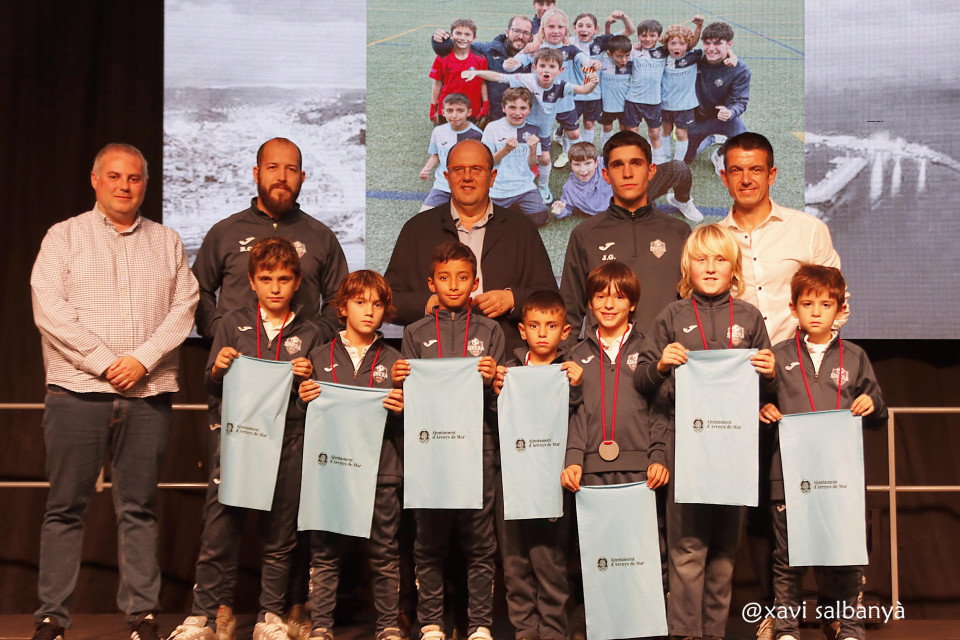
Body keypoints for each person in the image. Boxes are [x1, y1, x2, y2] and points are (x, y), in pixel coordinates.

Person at [30, 143, 199, 640]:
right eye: (115, 176)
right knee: (65, 509)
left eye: (134, 178)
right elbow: (49, 309)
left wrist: (142, 359)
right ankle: (51, 617)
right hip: (76, 393)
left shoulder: (167, 241)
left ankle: (142, 615)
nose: (125, 186)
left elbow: (185, 306)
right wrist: (106, 362)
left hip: (147, 396)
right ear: (95, 180)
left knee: (139, 509)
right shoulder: (63, 236)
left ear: (145, 183)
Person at [166, 238, 321, 640]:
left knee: (280, 535)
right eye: (266, 279)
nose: (275, 288)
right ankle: (202, 616)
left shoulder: (310, 333)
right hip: (237, 441)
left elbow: (315, 400)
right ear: (251, 281)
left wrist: (307, 382)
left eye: (283, 279)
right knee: (220, 531)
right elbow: (210, 383)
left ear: (297, 281)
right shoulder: (232, 324)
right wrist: (218, 369)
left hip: (288, 441)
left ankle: (269, 616)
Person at [633, 223, 776, 640]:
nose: (710, 268)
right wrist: (661, 365)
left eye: (720, 260)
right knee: (687, 549)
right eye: (701, 259)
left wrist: (770, 375)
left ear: (734, 269)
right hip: (687, 448)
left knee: (725, 553)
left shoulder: (749, 317)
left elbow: (768, 391)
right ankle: (685, 633)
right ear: (687, 268)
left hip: (734, 449)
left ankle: (713, 633)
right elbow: (641, 380)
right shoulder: (671, 316)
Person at [759, 265, 886, 640]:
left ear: (840, 309)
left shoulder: (855, 356)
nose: (816, 312)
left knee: (845, 554)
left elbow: (879, 406)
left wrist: (871, 403)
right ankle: (786, 629)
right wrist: (763, 409)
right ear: (793, 308)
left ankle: (849, 627)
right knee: (788, 558)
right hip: (789, 476)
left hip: (840, 478)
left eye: (826, 304)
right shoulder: (777, 357)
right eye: (807, 304)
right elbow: (760, 402)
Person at [391, 242, 504, 640]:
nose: (453, 285)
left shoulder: (490, 332)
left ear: (475, 282)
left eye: (462, 278)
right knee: (429, 544)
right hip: (430, 455)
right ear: (431, 283)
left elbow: (499, 402)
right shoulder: (414, 333)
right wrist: (401, 383)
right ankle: (432, 624)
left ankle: (480, 625)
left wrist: (493, 382)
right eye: (444, 277)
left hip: (477, 451)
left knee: (480, 545)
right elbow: (408, 401)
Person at [297, 270, 405, 640]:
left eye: (377, 304)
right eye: (360, 302)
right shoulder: (318, 356)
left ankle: (388, 626)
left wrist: (403, 407)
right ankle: (321, 626)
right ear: (343, 308)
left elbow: (410, 422)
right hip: (332, 474)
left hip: (381, 475)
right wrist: (303, 400)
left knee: (384, 554)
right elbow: (304, 417)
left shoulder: (396, 361)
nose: (369, 311)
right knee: (326, 555)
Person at [384, 138, 557, 355]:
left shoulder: (521, 228)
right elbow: (387, 300)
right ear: (447, 178)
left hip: (505, 361)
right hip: (434, 361)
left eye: (476, 169)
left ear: (492, 177)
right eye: (458, 170)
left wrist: (512, 299)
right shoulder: (417, 229)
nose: (467, 177)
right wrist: (430, 304)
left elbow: (551, 298)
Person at [192, 137, 348, 343]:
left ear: (301, 177)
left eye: (291, 169)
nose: (281, 177)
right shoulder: (225, 232)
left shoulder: (321, 236)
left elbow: (340, 297)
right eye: (272, 167)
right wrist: (217, 328)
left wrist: (319, 335)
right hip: (235, 357)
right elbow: (197, 289)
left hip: (301, 359)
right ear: (257, 173)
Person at [491, 290, 582, 640]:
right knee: (514, 562)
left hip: (552, 480)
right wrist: (496, 392)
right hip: (513, 479)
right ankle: (526, 630)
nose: (542, 333)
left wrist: (577, 388)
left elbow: (581, 417)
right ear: (522, 330)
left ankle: (553, 631)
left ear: (566, 331)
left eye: (551, 325)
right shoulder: (510, 371)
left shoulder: (569, 371)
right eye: (534, 325)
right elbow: (497, 418)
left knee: (550, 562)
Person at [559, 131, 691, 343]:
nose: (627, 173)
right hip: (604, 359)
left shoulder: (679, 232)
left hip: (665, 358)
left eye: (636, 164)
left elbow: (693, 306)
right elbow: (569, 311)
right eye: (618, 165)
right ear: (606, 175)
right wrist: (565, 358)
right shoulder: (584, 235)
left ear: (651, 171)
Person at [718, 132, 845, 345]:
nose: (746, 180)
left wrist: (805, 353)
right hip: (737, 362)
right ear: (725, 178)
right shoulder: (711, 240)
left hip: (799, 361)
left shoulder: (809, 229)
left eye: (756, 170)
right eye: (736, 170)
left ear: (771, 175)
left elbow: (837, 302)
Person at [561, 261, 669, 492]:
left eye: (619, 297)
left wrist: (659, 455)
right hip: (587, 471)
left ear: (633, 303)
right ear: (590, 303)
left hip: (643, 470)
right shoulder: (576, 355)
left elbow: (659, 407)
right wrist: (573, 458)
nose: (609, 305)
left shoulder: (649, 351)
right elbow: (574, 414)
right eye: (600, 296)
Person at [500, 10, 602, 201]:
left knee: (574, 134)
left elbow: (584, 61)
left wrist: (592, 64)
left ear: (566, 29)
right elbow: (513, 64)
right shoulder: (534, 48)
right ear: (543, 28)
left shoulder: (570, 48)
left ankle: (578, 163)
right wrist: (510, 63)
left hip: (564, 102)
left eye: (560, 27)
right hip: (539, 105)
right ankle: (534, 177)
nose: (556, 31)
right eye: (551, 26)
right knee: (535, 143)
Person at [556, 10, 635, 166]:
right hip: (574, 93)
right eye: (580, 25)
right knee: (569, 126)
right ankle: (566, 153)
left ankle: (586, 153)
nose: (584, 29)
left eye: (588, 26)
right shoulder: (568, 42)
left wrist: (623, 17)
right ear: (574, 27)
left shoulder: (601, 42)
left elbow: (630, 31)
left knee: (589, 124)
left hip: (594, 94)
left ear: (596, 29)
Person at [431, 15, 535, 122]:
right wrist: (440, 40)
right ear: (507, 32)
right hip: (492, 117)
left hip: (523, 117)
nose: (521, 36)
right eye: (516, 31)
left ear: (531, 37)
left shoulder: (535, 56)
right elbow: (462, 45)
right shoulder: (489, 49)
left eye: (526, 33)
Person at [683, 22, 750, 166]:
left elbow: (740, 101)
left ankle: (719, 154)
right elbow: (674, 50)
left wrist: (730, 112)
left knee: (745, 142)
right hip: (695, 119)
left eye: (718, 43)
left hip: (722, 118)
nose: (711, 48)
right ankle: (710, 139)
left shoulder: (740, 69)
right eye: (707, 43)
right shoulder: (696, 60)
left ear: (729, 44)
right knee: (686, 160)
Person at [481, 87, 547, 226]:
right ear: (503, 108)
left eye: (523, 108)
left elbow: (530, 164)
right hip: (497, 188)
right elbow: (486, 163)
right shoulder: (492, 128)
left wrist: (533, 150)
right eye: (512, 107)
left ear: (529, 109)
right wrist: (505, 150)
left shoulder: (533, 129)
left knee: (540, 219)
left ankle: (514, 206)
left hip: (524, 186)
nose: (517, 113)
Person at [420, 93, 484, 211]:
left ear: (469, 112)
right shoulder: (438, 131)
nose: (454, 115)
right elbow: (437, 153)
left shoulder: (477, 135)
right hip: (443, 185)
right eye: (449, 111)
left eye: (460, 111)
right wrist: (426, 168)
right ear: (443, 112)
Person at [429, 19, 489, 124]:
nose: (462, 38)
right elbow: (437, 83)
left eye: (467, 34)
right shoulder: (442, 58)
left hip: (471, 109)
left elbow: (482, 83)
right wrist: (433, 106)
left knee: (469, 134)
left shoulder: (480, 59)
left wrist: (485, 103)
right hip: (447, 109)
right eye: (458, 33)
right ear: (451, 35)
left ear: (474, 38)